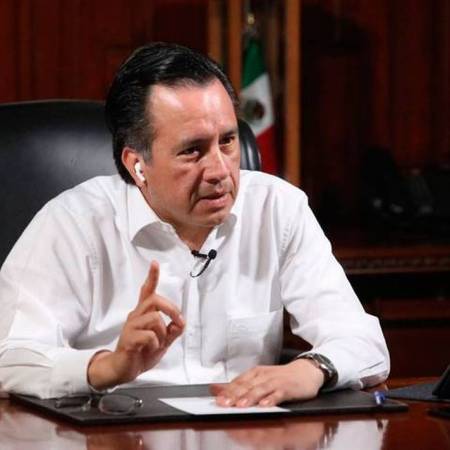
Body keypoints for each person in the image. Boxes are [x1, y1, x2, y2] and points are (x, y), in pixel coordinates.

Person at [0, 42, 389, 405]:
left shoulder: (277, 209)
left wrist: (313, 370)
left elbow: (363, 342)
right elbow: (9, 359)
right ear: (137, 165)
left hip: (245, 433)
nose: (219, 170)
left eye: (228, 141)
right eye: (192, 151)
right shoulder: (73, 223)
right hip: (117, 434)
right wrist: (109, 367)